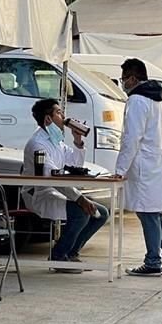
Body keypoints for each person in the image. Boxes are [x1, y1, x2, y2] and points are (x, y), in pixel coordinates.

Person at [112, 58, 162, 277]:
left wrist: (120, 169)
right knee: (156, 211)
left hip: (144, 164)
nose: (123, 83)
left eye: (124, 79)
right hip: (161, 161)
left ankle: (153, 261)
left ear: (133, 78)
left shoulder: (137, 100)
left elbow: (131, 138)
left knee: (147, 212)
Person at [21, 98, 109, 273]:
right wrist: (80, 199)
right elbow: (51, 176)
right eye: (59, 113)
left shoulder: (57, 141)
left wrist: (78, 140)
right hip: (39, 192)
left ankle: (72, 253)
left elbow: (75, 162)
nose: (64, 117)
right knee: (81, 211)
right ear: (48, 119)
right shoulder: (37, 143)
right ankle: (59, 256)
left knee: (101, 213)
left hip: (57, 189)